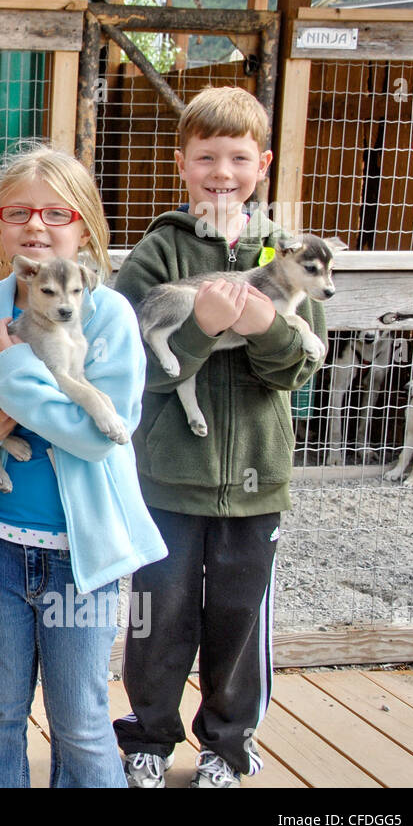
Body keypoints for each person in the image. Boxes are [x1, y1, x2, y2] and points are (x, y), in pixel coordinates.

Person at [0, 143, 166, 788]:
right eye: (18, 212)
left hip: (80, 555)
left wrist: (10, 371)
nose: (36, 224)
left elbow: (95, 438)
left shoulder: (109, 314)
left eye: (55, 212)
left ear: (83, 227)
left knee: (81, 716)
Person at [112, 86, 326, 788]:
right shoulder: (158, 251)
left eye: (238, 157)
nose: (222, 173)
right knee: (158, 614)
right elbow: (132, 366)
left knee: (238, 622)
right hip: (169, 479)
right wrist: (201, 330)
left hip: (256, 481)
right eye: (207, 157)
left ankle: (228, 748)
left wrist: (265, 329)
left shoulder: (286, 251)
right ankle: (147, 737)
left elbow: (299, 367)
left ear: (261, 163)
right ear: (182, 164)